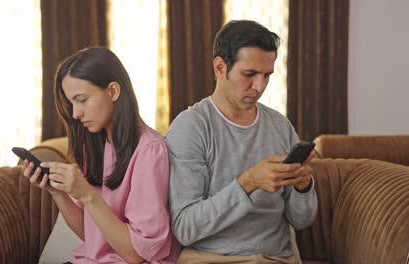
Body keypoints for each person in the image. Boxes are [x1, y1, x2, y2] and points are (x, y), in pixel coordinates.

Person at [165, 20, 318, 264]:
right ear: (219, 67)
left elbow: (301, 221)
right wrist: (248, 183)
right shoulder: (190, 128)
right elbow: (185, 227)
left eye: (266, 76)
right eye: (249, 74)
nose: (259, 86)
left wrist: (303, 186)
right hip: (213, 259)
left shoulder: (280, 125)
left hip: (275, 258)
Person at [22, 47, 180, 264]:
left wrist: (88, 194)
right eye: (71, 103)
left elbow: (136, 255)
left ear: (113, 91)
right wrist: (57, 192)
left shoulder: (149, 151)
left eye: (82, 99)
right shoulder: (95, 146)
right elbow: (93, 237)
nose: (76, 114)